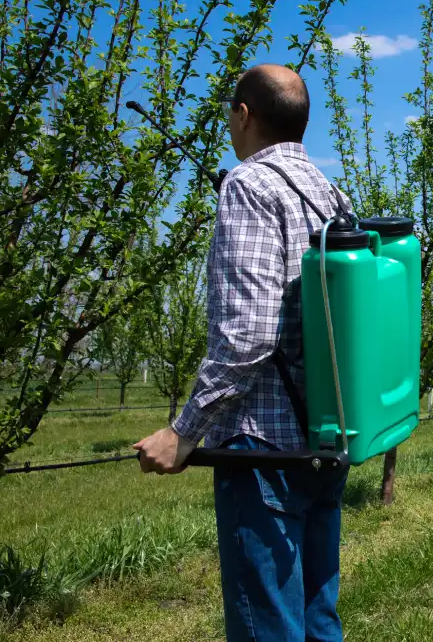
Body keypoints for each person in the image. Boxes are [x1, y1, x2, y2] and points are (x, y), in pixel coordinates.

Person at [133, 63, 351, 642]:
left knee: (269, 629)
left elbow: (248, 335)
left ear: (244, 114)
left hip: (262, 449)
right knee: (318, 619)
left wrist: (183, 431)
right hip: (326, 439)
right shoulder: (332, 196)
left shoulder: (248, 186)